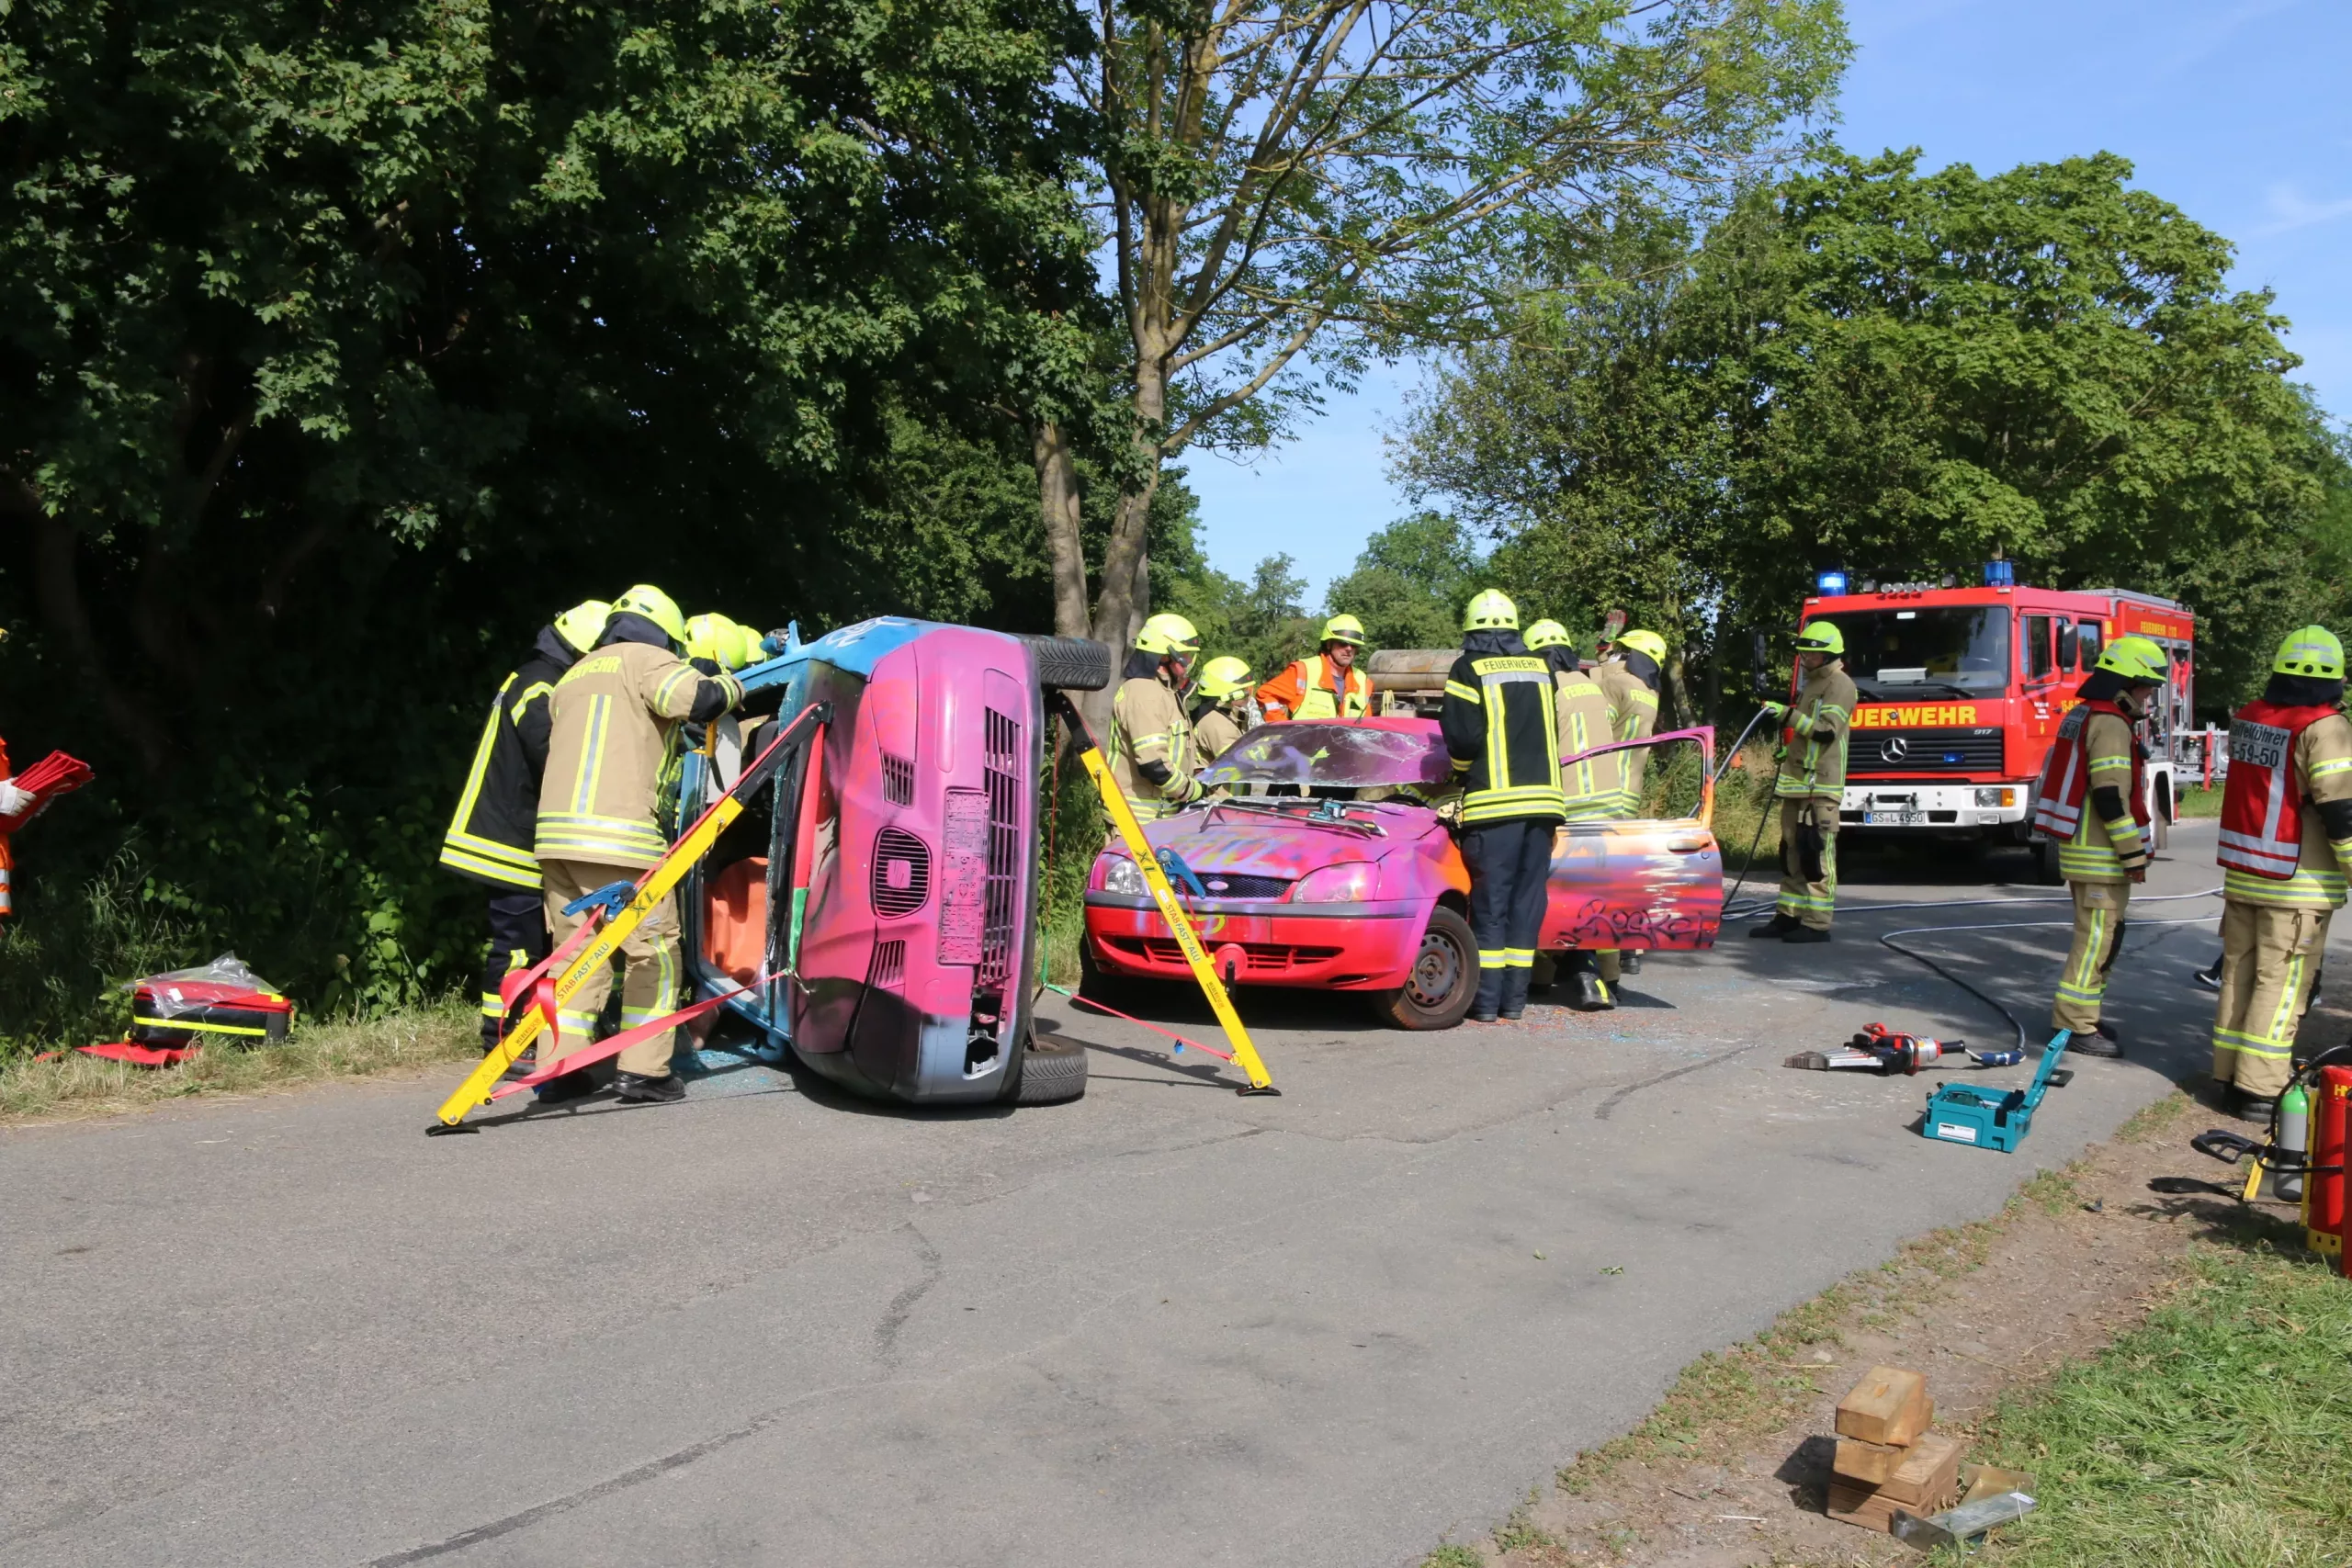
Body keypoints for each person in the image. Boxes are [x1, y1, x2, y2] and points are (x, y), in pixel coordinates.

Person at [536, 584, 744, 1102]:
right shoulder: (647, 660)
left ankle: (561, 1068)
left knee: (574, 954)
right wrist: (728, 683)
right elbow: (697, 699)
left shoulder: (574, 674)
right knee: (654, 951)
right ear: (665, 636)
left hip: (557, 841)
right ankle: (645, 1070)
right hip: (619, 840)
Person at [440, 599, 612, 1054]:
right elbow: (551, 749)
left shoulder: (535, 677)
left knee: (529, 941)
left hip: (511, 831)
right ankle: (500, 1038)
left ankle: (521, 1031)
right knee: (518, 947)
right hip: (506, 840)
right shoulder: (539, 685)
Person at [2210, 626, 2352, 1122]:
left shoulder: (2250, 717)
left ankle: (2228, 1076)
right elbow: (2339, 807)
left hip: (2247, 872)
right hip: (2297, 881)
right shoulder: (2325, 726)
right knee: (2282, 984)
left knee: (2239, 978)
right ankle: (2260, 1089)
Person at [2027, 635, 2170, 1060]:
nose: (2149, 694)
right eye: (2146, 685)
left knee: (2102, 940)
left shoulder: (2086, 713)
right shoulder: (2109, 722)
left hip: (2085, 850)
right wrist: (2133, 855)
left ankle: (2083, 1015)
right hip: (2101, 856)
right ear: (2126, 685)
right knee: (2096, 943)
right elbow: (2110, 796)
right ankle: (2073, 1024)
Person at [1441, 591, 1565, 1023]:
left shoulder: (1467, 668)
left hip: (1495, 806)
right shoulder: (1542, 667)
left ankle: (1485, 1004)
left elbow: (1463, 738)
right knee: (1527, 904)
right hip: (1546, 804)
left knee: (1491, 905)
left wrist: (1458, 774)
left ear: (1472, 631)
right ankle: (1514, 1003)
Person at [1524, 619, 1620, 1010]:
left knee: (1553, 892)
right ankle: (1608, 978)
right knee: (1600, 894)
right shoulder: (1593, 688)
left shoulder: (1545, 690)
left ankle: (1556, 977)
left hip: (1568, 803)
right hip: (1609, 805)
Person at [1751, 621, 1856, 942]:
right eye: (1803, 654)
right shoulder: (1811, 683)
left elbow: (1826, 730)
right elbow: (1809, 734)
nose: (1804, 660)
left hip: (1820, 787)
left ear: (1827, 656)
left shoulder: (1840, 685)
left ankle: (1817, 924)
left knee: (1817, 856)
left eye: (1811, 656)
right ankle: (1788, 917)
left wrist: (1787, 715)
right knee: (1791, 853)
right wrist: (1790, 750)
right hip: (1798, 784)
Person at [1109, 614, 1205, 821]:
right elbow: (1154, 765)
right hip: (1138, 820)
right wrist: (1194, 791)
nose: (1190, 662)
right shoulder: (1146, 693)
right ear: (1165, 656)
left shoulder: (1163, 693)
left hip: (1157, 816)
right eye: (1186, 655)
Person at [1595, 628, 1666, 816]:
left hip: (1603, 788)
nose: (1615, 654)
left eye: (1620, 650)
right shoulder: (1651, 693)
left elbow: (1594, 727)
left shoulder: (1616, 684)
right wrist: (1603, 651)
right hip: (1630, 791)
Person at [1257, 614, 1372, 721]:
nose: (1349, 649)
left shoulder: (1363, 682)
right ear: (1328, 644)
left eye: (1354, 645)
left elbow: (1368, 725)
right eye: (1343, 643)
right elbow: (1265, 694)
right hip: (1305, 742)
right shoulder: (1303, 671)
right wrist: (1284, 728)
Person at [1191, 656, 1255, 763]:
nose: (1250, 695)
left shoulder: (1215, 714)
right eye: (1247, 690)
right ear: (1232, 695)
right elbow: (1241, 765)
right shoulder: (1218, 725)